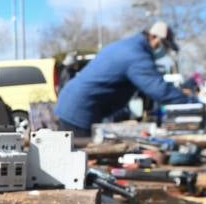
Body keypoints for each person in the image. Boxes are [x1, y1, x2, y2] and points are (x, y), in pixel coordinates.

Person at [54, 20, 193, 134]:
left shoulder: (129, 46)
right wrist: (190, 102)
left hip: (75, 105)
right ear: (153, 38)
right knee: (77, 160)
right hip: (79, 111)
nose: (164, 51)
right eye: (165, 46)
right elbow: (158, 89)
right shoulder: (136, 55)